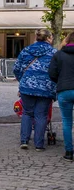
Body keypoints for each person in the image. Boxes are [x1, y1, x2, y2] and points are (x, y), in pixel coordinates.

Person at [13, 28, 57, 151]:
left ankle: (24, 141)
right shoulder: (54, 52)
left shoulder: (26, 50)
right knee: (41, 115)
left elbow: (16, 68)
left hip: (27, 87)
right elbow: (57, 71)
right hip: (46, 88)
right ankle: (39, 144)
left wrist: (22, 80)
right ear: (48, 38)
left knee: (27, 113)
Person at [48, 31, 74, 162]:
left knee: (67, 122)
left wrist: (60, 81)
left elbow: (51, 73)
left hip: (64, 90)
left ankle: (69, 152)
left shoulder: (59, 55)